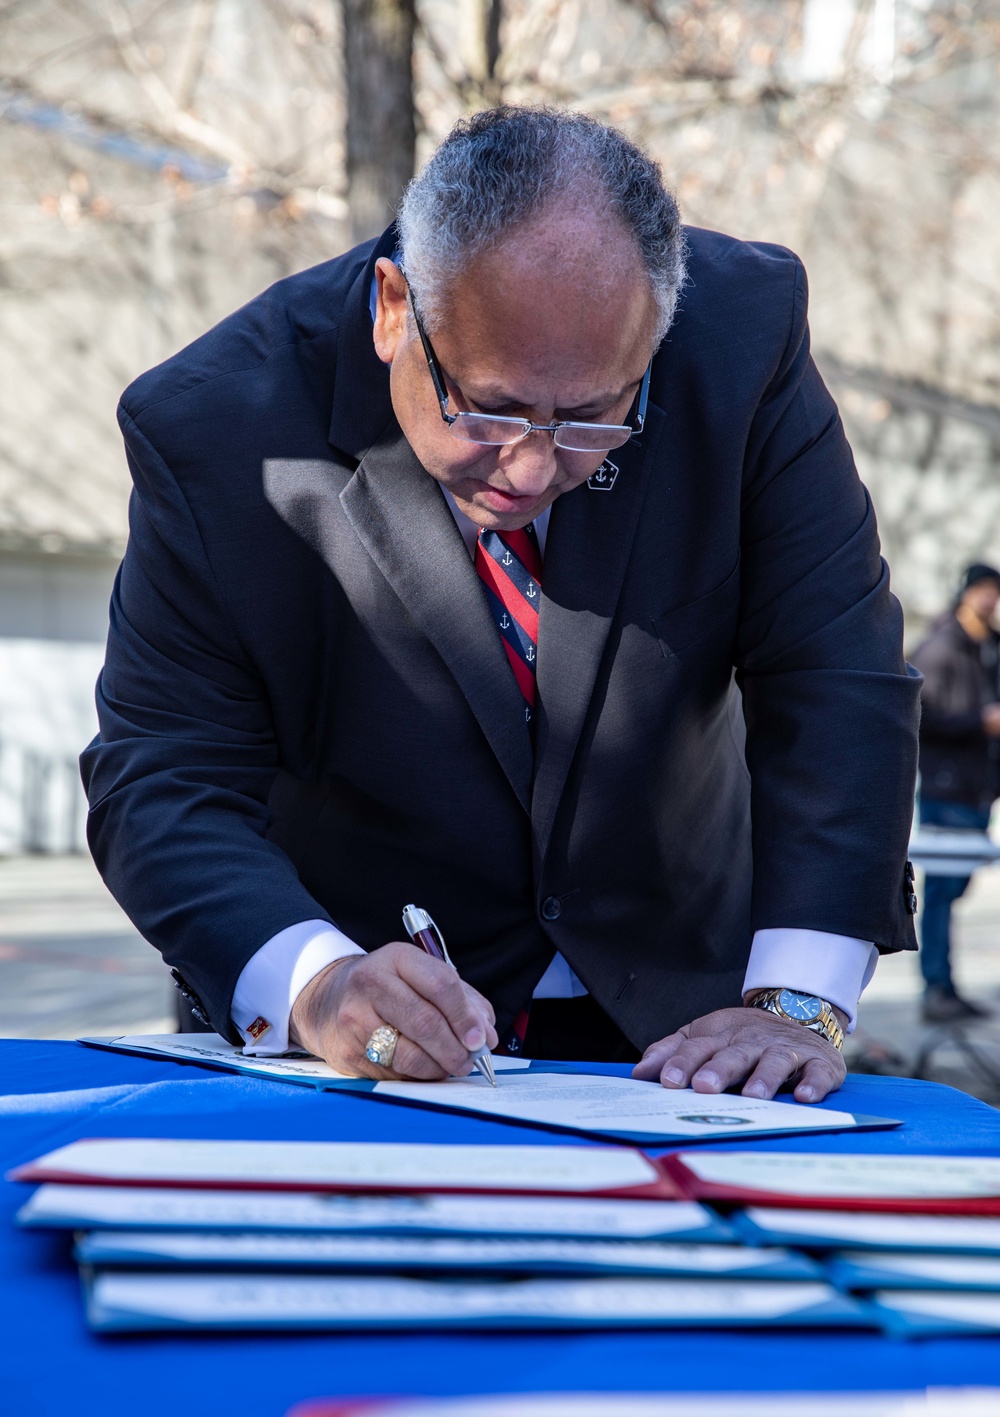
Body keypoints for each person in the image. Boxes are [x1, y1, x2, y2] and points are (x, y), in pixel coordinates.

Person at [81, 107, 920, 1105]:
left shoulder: (742, 343)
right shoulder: (217, 429)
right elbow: (163, 773)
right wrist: (315, 985)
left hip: (691, 1022)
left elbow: (834, 676)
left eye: (592, 417)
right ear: (394, 310)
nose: (529, 467)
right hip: (355, 1037)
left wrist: (797, 1001)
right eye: (489, 408)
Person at [910, 562, 1000, 1022]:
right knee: (942, 891)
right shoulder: (941, 647)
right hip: (947, 788)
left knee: (956, 888)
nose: (989, 599)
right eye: (982, 589)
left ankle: (946, 985)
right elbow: (917, 714)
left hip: (978, 790)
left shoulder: (991, 648)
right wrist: (979, 723)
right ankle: (936, 988)